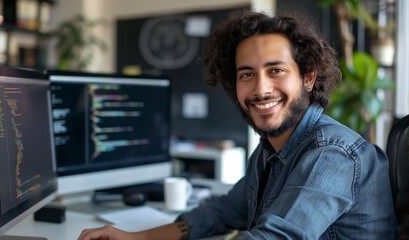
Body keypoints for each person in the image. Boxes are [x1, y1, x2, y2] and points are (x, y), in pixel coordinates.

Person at [78, 10, 397, 240]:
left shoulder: (333, 153)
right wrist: (135, 238)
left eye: (275, 70)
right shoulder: (269, 151)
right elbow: (222, 212)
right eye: (247, 74)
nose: (260, 89)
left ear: (308, 77)